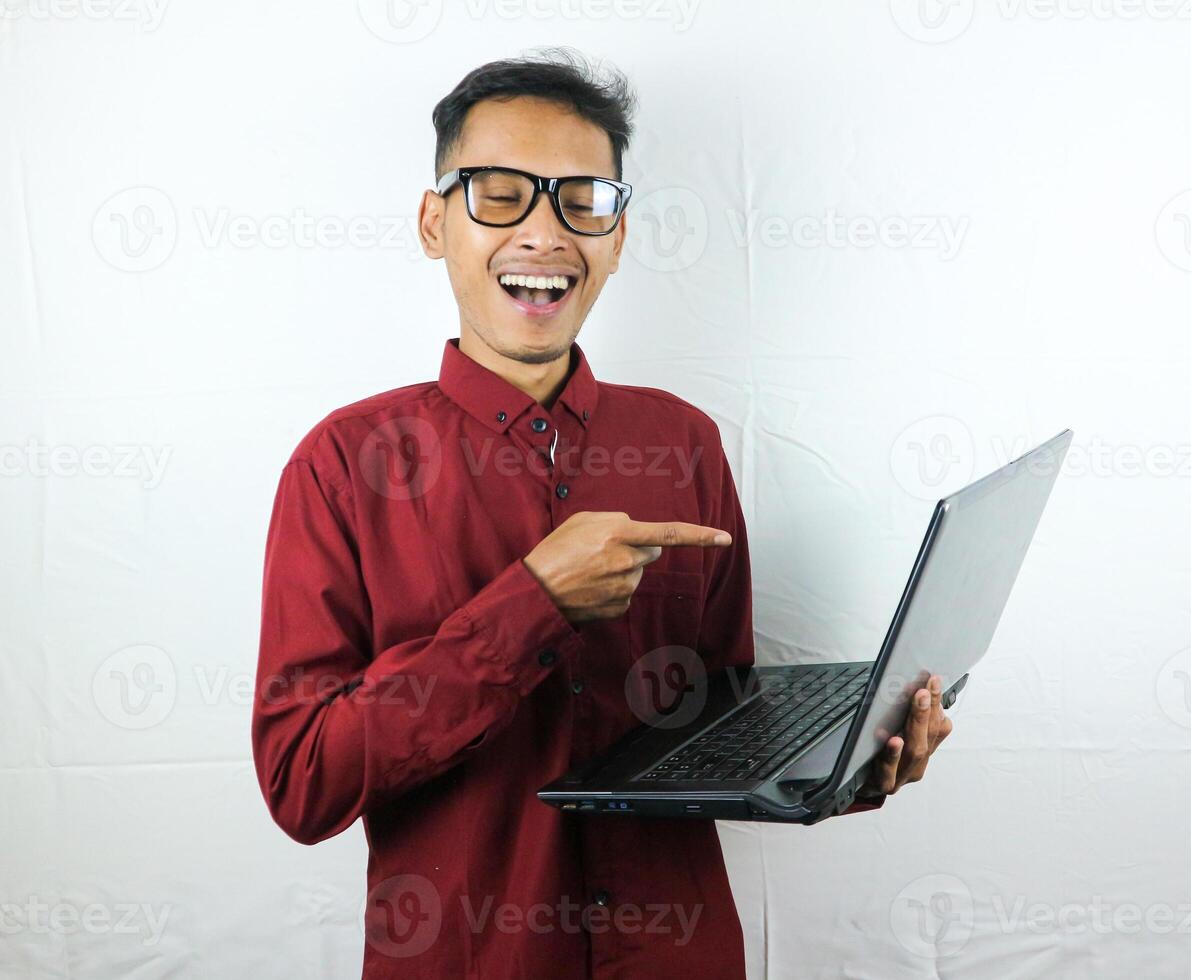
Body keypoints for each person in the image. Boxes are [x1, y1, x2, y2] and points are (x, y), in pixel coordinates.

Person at [250, 47, 953, 980]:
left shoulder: (684, 441)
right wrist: (530, 602)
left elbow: (720, 731)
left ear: (617, 238)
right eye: (498, 193)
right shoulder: (343, 464)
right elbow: (303, 782)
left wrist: (860, 761)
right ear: (433, 222)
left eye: (582, 200)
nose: (544, 234)